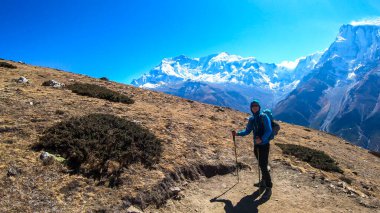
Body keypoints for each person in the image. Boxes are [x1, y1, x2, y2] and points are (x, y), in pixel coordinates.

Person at [232, 99, 273, 196]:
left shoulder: (264, 117)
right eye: (253, 106)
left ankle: (269, 187)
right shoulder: (251, 119)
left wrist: (262, 139)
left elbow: (269, 130)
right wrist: (237, 133)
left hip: (264, 145)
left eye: (256, 106)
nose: (254, 107)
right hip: (256, 145)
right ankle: (263, 181)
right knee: (261, 164)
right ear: (251, 108)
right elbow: (247, 131)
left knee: (263, 165)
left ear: (259, 107)